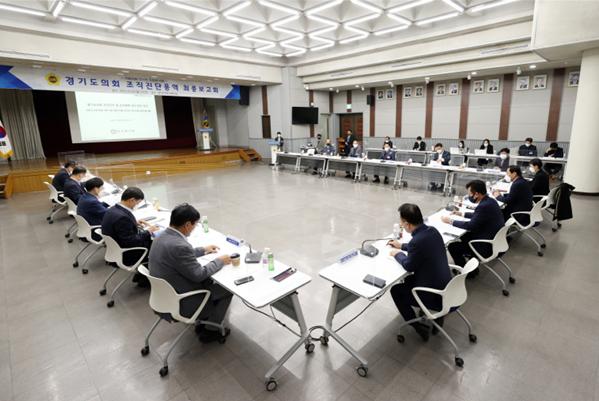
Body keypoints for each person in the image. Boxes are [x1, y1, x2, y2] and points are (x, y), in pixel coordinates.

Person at [149, 203, 233, 343]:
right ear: (187, 224)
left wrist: (203, 250)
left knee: (209, 281)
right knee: (227, 290)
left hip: (163, 295)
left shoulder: (160, 236)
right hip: (182, 300)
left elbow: (178, 255)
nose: (194, 228)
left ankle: (206, 320)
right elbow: (198, 274)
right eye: (195, 224)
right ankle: (211, 330)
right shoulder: (180, 246)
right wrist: (219, 261)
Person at [388, 204, 452, 341]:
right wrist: (402, 245)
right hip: (447, 287)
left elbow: (409, 266)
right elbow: (420, 246)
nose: (401, 225)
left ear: (407, 224)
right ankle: (438, 317)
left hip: (434, 295)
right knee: (408, 280)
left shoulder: (417, 241)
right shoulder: (432, 231)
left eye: (401, 222)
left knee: (396, 290)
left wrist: (397, 253)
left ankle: (418, 327)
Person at [442, 180, 504, 277]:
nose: (469, 196)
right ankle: (472, 263)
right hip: (494, 239)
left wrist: (450, 221)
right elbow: (479, 215)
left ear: (477, 194)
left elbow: (470, 226)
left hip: (486, 245)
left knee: (452, 246)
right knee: (464, 237)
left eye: (470, 194)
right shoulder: (490, 201)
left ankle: (467, 273)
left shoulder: (483, 206)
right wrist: (462, 214)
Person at [101, 187, 159, 286]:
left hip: (115, 249)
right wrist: (148, 231)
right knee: (157, 245)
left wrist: (133, 223)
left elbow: (121, 228)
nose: (137, 205)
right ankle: (147, 277)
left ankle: (141, 274)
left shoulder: (113, 210)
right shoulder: (122, 217)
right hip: (127, 253)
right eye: (137, 203)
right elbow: (131, 241)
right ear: (132, 200)